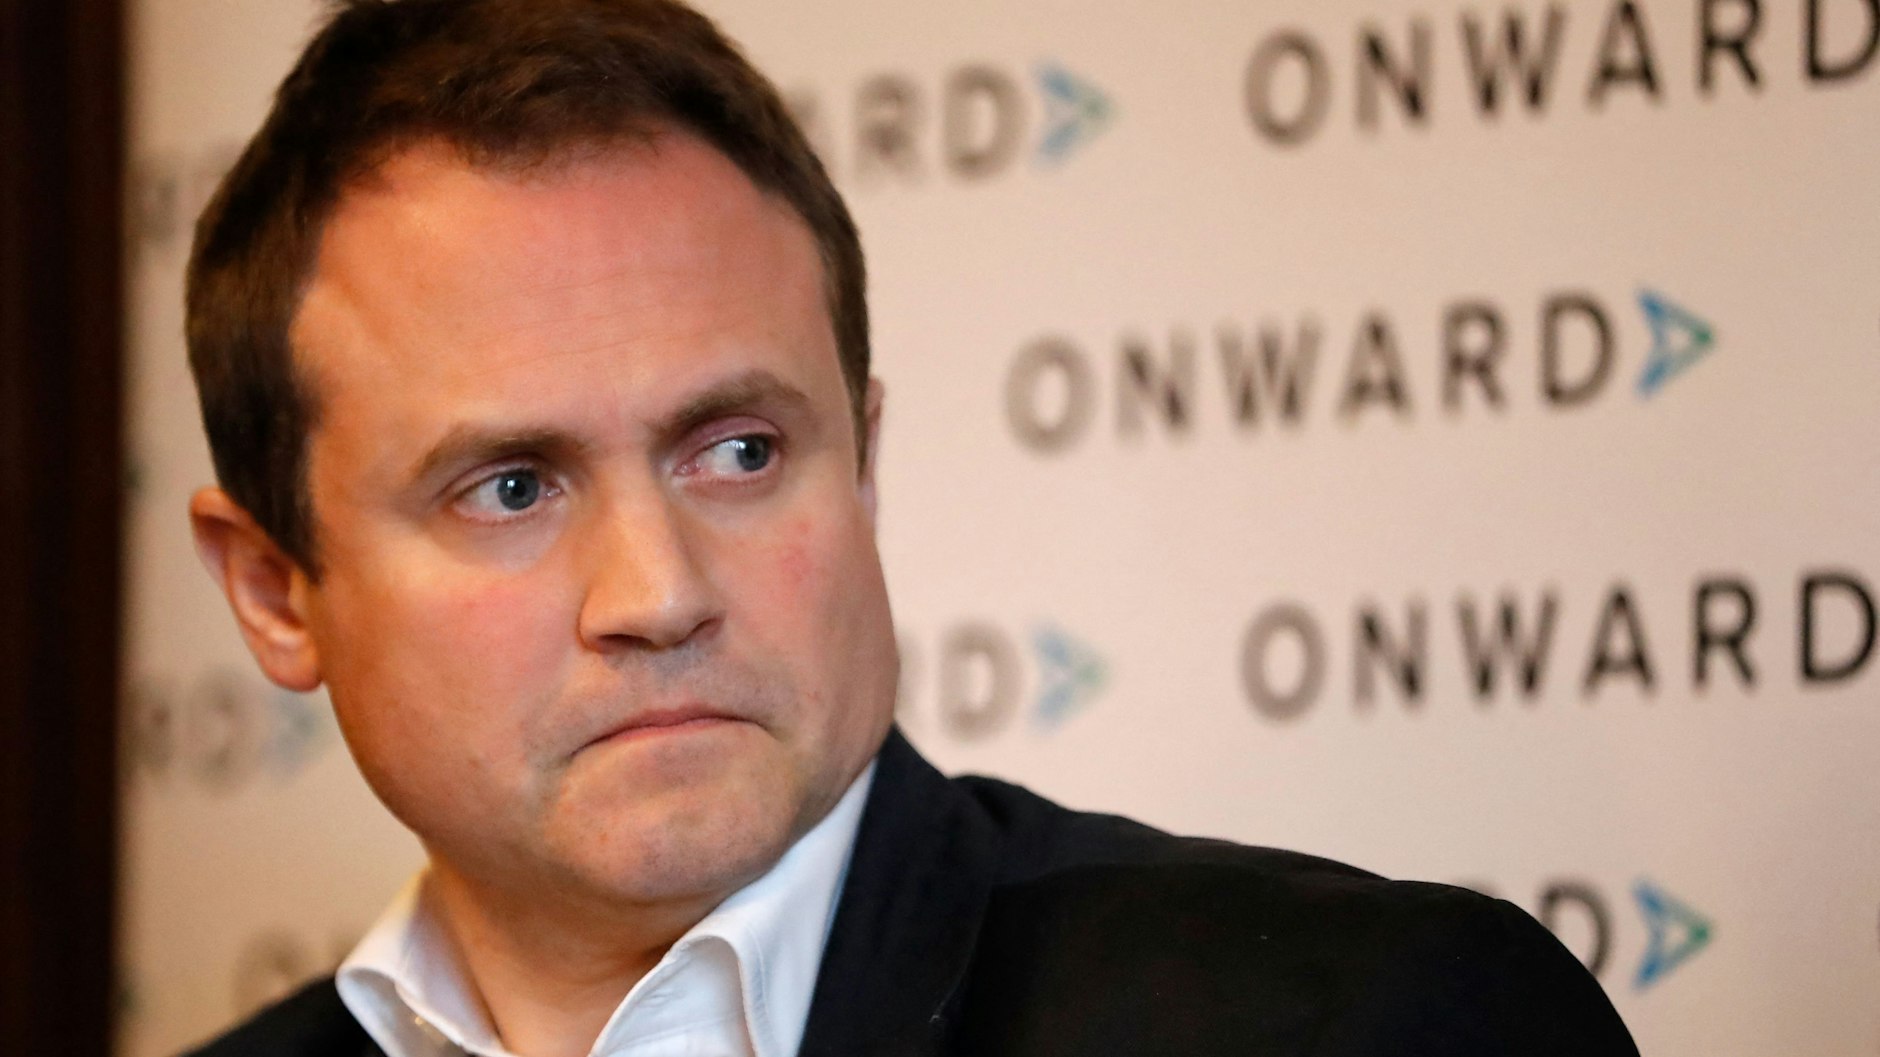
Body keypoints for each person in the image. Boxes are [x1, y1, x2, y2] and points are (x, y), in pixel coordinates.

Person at [179, 2, 1639, 1055]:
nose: (660, 591)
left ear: (863, 466)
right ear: (274, 592)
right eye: (512, 486)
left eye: (740, 451)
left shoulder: (1369, 1023)